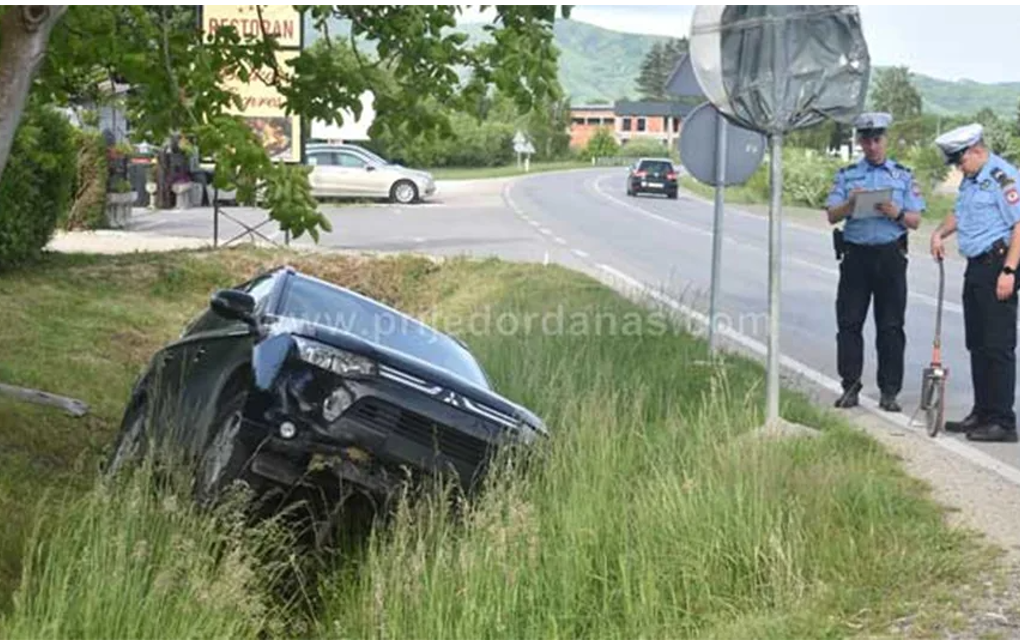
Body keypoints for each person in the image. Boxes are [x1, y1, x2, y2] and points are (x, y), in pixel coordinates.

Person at [825, 112, 925, 411]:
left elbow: (916, 220)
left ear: (886, 140)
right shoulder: (847, 175)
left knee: (891, 327)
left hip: (889, 256)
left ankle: (889, 392)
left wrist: (895, 211)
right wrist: (851, 203)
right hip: (856, 256)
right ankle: (850, 387)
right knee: (849, 324)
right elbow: (832, 215)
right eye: (866, 140)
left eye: (877, 140)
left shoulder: (903, 176)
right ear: (860, 142)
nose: (872, 146)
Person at [931, 123, 1020, 442]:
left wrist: (1009, 271)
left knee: (998, 345)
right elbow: (960, 213)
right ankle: (982, 412)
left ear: (977, 151)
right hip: (977, 266)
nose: (958, 167)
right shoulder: (972, 179)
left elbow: (1019, 225)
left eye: (960, 161)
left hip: (999, 264)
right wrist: (940, 232)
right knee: (978, 343)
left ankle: (1003, 421)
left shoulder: (1002, 177)